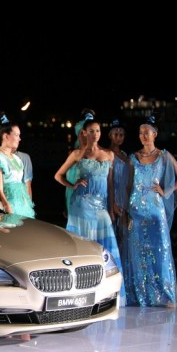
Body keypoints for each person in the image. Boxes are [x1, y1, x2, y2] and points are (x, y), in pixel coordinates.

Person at [54, 111, 125, 304]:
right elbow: (58, 175)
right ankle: (80, 291)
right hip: (81, 206)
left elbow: (110, 184)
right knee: (82, 247)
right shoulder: (77, 154)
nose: (95, 134)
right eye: (91, 131)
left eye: (98, 131)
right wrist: (72, 185)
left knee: (104, 249)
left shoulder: (109, 154)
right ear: (84, 133)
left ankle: (105, 291)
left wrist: (111, 208)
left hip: (101, 207)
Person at [125, 115, 177, 308]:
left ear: (155, 134)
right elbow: (127, 186)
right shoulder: (133, 158)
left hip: (155, 210)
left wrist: (165, 191)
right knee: (138, 252)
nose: (143, 136)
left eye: (147, 132)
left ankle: (165, 295)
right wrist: (126, 211)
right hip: (136, 210)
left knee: (160, 250)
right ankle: (142, 294)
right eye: (141, 133)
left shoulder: (164, 156)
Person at [0, 112, 35, 218]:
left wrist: (27, 204)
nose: (19, 139)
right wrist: (7, 207)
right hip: (7, 206)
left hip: (21, 206)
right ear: (6, 136)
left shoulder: (17, 159)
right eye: (16, 135)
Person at [64, 109, 94, 217]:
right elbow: (63, 179)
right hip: (75, 199)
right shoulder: (75, 154)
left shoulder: (98, 153)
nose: (85, 135)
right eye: (82, 133)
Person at [107, 118, 131, 244]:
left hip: (124, 197)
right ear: (110, 135)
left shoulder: (125, 154)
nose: (119, 137)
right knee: (113, 233)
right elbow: (108, 181)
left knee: (124, 235)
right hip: (113, 196)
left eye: (121, 135)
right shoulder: (107, 154)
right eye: (115, 134)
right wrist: (112, 204)